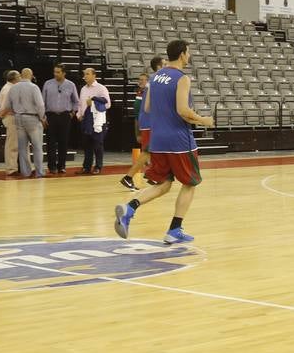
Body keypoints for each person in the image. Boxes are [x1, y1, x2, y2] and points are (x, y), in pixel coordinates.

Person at [114, 40, 214, 245]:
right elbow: (183, 111)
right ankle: (175, 230)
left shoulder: (155, 77)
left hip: (158, 140)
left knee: (164, 184)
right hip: (179, 140)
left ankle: (130, 207)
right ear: (183, 55)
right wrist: (204, 120)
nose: (190, 55)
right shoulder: (182, 78)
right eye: (189, 52)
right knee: (190, 183)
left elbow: (148, 106)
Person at [123, 55, 165, 191]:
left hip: (150, 121)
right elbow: (151, 105)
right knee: (147, 152)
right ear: (159, 67)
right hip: (149, 122)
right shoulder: (154, 82)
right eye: (164, 64)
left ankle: (153, 176)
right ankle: (128, 177)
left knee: (154, 150)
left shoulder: (153, 82)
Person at [0, 72, 47, 178]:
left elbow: (6, 105)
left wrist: (3, 113)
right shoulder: (33, 87)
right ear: (30, 75)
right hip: (31, 118)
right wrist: (42, 117)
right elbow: (40, 104)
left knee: (22, 147)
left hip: (18, 118)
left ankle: (26, 171)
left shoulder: (13, 88)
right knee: (37, 146)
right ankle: (39, 172)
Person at [43, 64, 79, 176]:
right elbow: (42, 101)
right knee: (51, 142)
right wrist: (43, 116)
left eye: (58, 72)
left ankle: (62, 166)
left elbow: (76, 101)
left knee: (63, 142)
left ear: (64, 73)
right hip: (51, 116)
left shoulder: (71, 85)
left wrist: (73, 112)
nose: (56, 74)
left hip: (65, 116)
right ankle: (52, 166)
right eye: (55, 72)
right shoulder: (48, 84)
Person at [76, 67, 111, 174]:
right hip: (85, 119)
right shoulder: (83, 89)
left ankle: (98, 166)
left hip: (97, 120)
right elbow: (80, 103)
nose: (85, 76)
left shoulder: (101, 88)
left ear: (94, 75)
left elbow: (108, 104)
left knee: (97, 144)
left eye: (87, 74)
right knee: (87, 144)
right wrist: (79, 114)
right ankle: (86, 167)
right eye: (84, 74)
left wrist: (94, 104)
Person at [0, 69, 20, 176]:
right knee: (12, 144)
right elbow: (6, 107)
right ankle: (11, 168)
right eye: (19, 77)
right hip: (11, 117)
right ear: (15, 79)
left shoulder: (13, 88)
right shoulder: (7, 89)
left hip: (16, 117)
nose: (21, 78)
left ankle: (22, 167)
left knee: (20, 144)